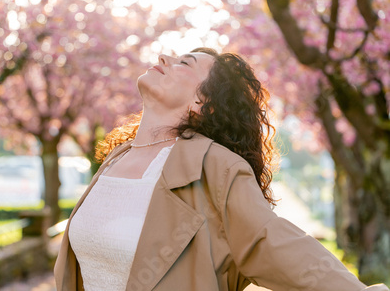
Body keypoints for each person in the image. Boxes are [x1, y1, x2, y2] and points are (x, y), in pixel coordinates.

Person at [53, 47, 389, 291]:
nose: (163, 58)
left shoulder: (214, 166)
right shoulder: (115, 158)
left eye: (185, 62)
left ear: (203, 102)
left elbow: (269, 241)